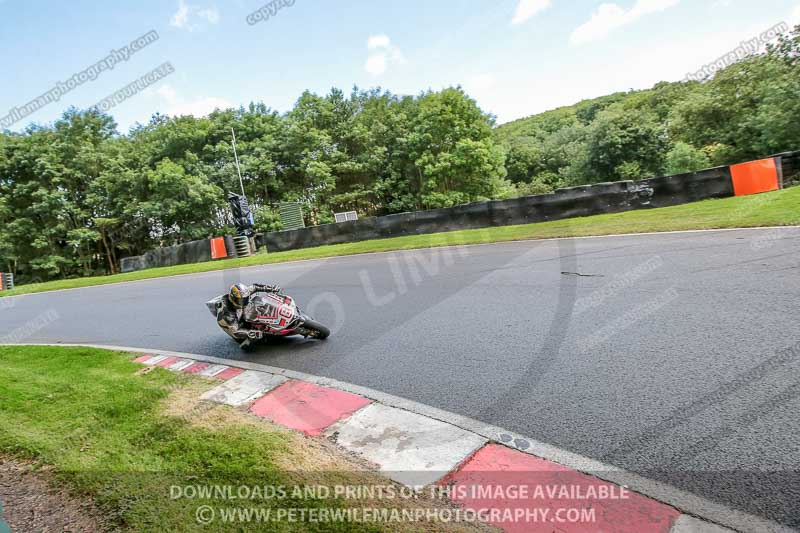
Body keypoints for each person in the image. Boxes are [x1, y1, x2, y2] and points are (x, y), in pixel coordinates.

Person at [216, 282, 282, 349]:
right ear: (233, 298)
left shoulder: (243, 293)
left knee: (256, 301)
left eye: (245, 299)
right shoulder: (227, 314)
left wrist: (270, 288)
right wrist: (249, 333)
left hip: (238, 311)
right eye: (240, 300)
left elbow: (255, 287)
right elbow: (236, 332)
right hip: (231, 325)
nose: (243, 302)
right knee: (249, 342)